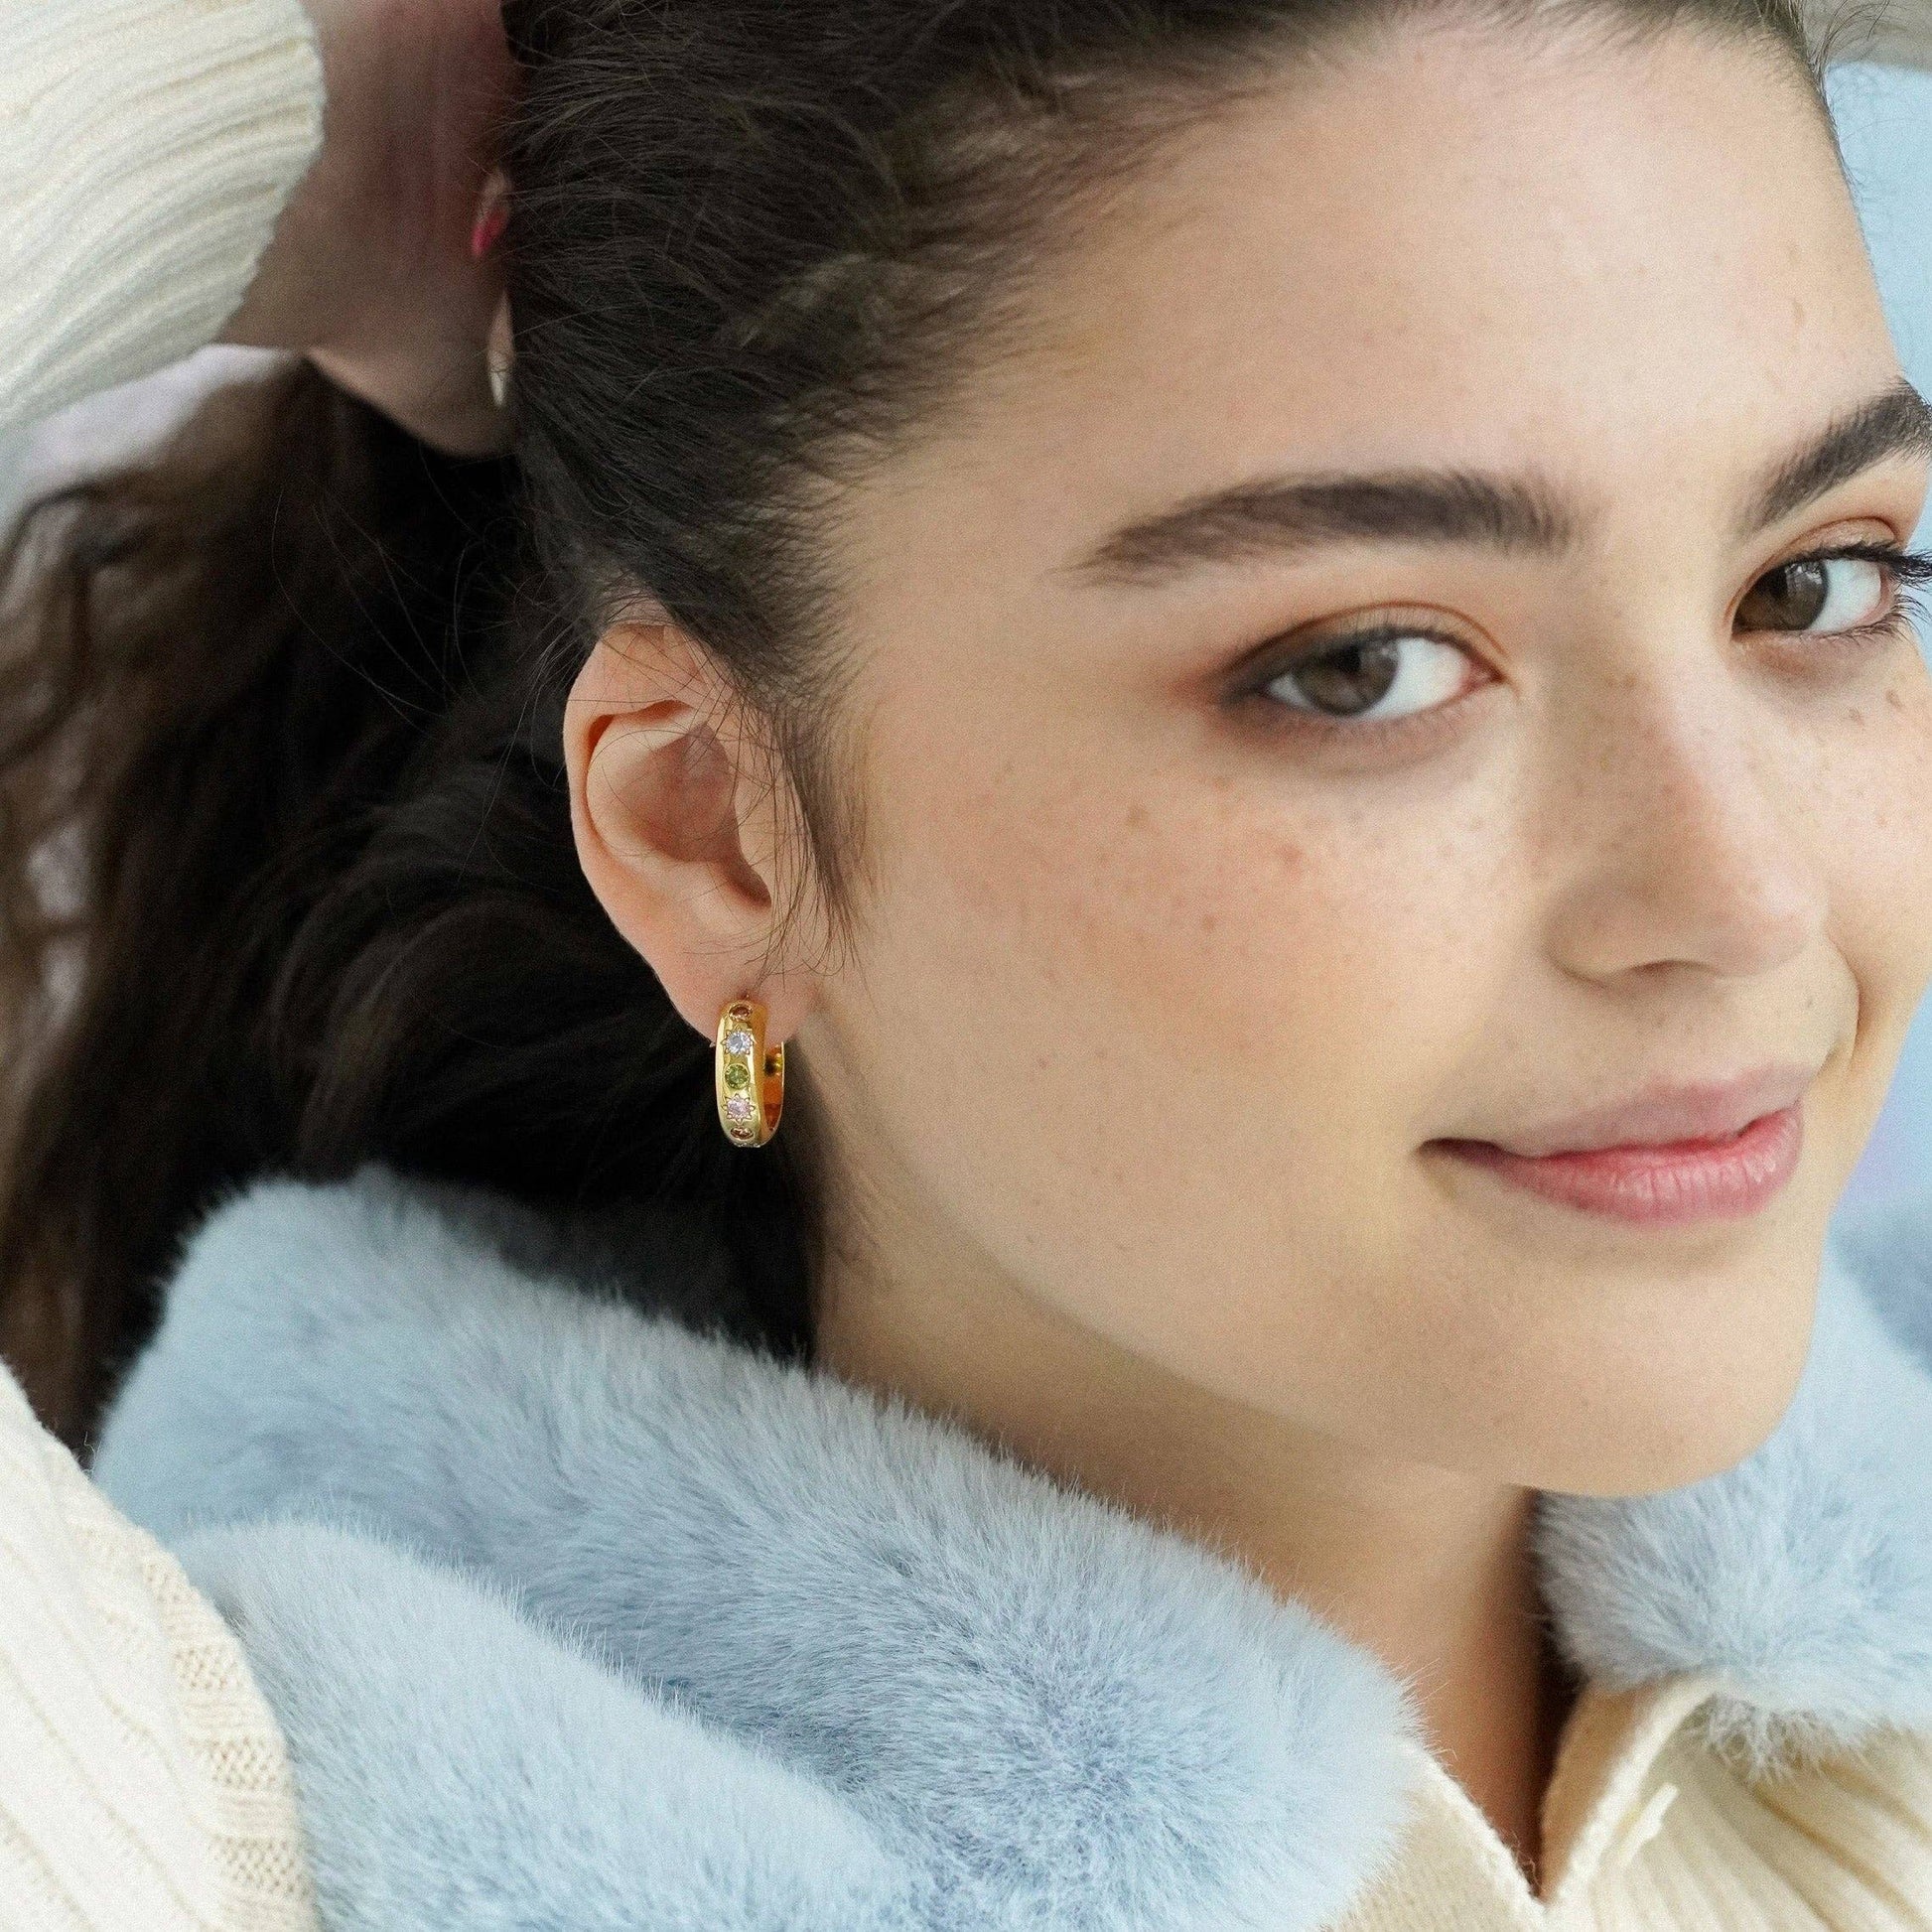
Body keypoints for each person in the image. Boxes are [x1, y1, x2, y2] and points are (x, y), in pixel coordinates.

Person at [6, 0, 1932, 1923]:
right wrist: (303, 98)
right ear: (713, 831)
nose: (1743, 898)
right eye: (1364, 667)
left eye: (1815, 584)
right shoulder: (216, 1847)